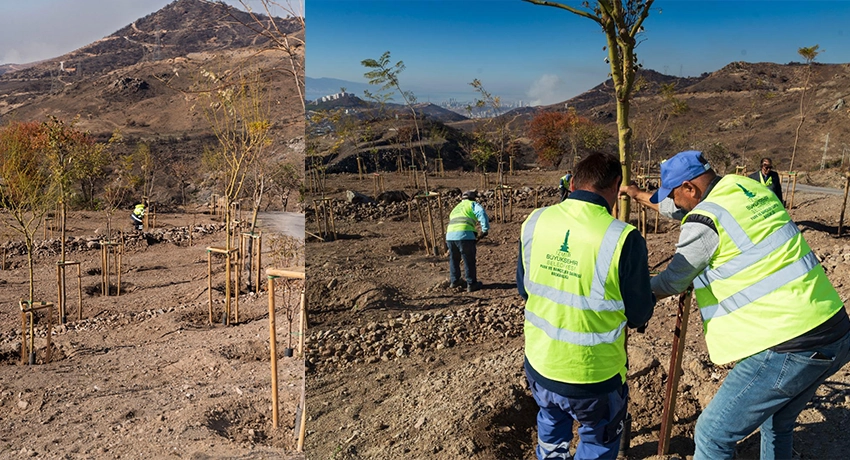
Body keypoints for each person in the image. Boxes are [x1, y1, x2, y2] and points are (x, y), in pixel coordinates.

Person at [620, 150, 850, 459]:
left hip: (790, 344)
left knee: (713, 434)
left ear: (690, 188)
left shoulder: (704, 220)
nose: (673, 203)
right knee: (778, 420)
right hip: (834, 330)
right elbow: (680, 210)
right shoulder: (749, 188)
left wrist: (634, 292)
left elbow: (674, 280)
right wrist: (636, 194)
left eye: (675, 194)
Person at [518, 153, 655, 460]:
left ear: (574, 181)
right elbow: (638, 314)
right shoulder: (623, 238)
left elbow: (525, 290)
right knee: (596, 442)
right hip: (594, 377)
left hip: (541, 365)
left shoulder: (535, 221)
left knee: (551, 428)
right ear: (616, 186)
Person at [446, 190, 489, 292]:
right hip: (464, 235)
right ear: (473, 198)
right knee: (469, 259)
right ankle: (471, 283)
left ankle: (455, 281)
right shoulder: (473, 204)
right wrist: (485, 229)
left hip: (450, 236)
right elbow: (481, 213)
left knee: (454, 259)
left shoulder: (456, 208)